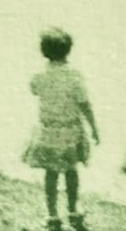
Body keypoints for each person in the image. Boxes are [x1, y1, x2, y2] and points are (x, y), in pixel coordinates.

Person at [23, 28, 99, 231]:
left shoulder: (40, 75)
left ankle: (52, 215)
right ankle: (73, 211)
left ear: (44, 51)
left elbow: (33, 89)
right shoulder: (75, 76)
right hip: (70, 132)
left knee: (51, 174)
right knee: (71, 172)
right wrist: (94, 128)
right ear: (68, 51)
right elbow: (85, 104)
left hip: (48, 131)